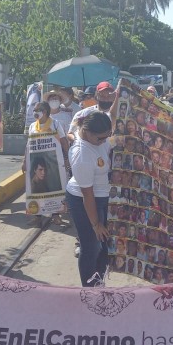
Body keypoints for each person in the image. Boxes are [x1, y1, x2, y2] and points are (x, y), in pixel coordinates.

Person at [66, 112, 115, 286]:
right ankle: (89, 288)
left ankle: (98, 281)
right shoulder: (82, 155)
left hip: (102, 197)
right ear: (87, 132)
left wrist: (118, 94)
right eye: (100, 138)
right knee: (91, 247)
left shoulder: (98, 136)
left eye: (107, 136)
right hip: (84, 201)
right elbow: (88, 195)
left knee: (104, 245)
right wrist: (96, 224)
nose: (104, 141)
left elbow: (113, 116)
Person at [25, 100, 69, 226]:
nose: (34, 112)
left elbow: (64, 141)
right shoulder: (33, 126)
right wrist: (24, 161)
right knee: (36, 190)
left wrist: (67, 158)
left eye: (36, 110)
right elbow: (28, 145)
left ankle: (56, 215)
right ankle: (37, 216)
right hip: (36, 161)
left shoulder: (55, 124)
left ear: (44, 112)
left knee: (54, 186)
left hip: (52, 161)